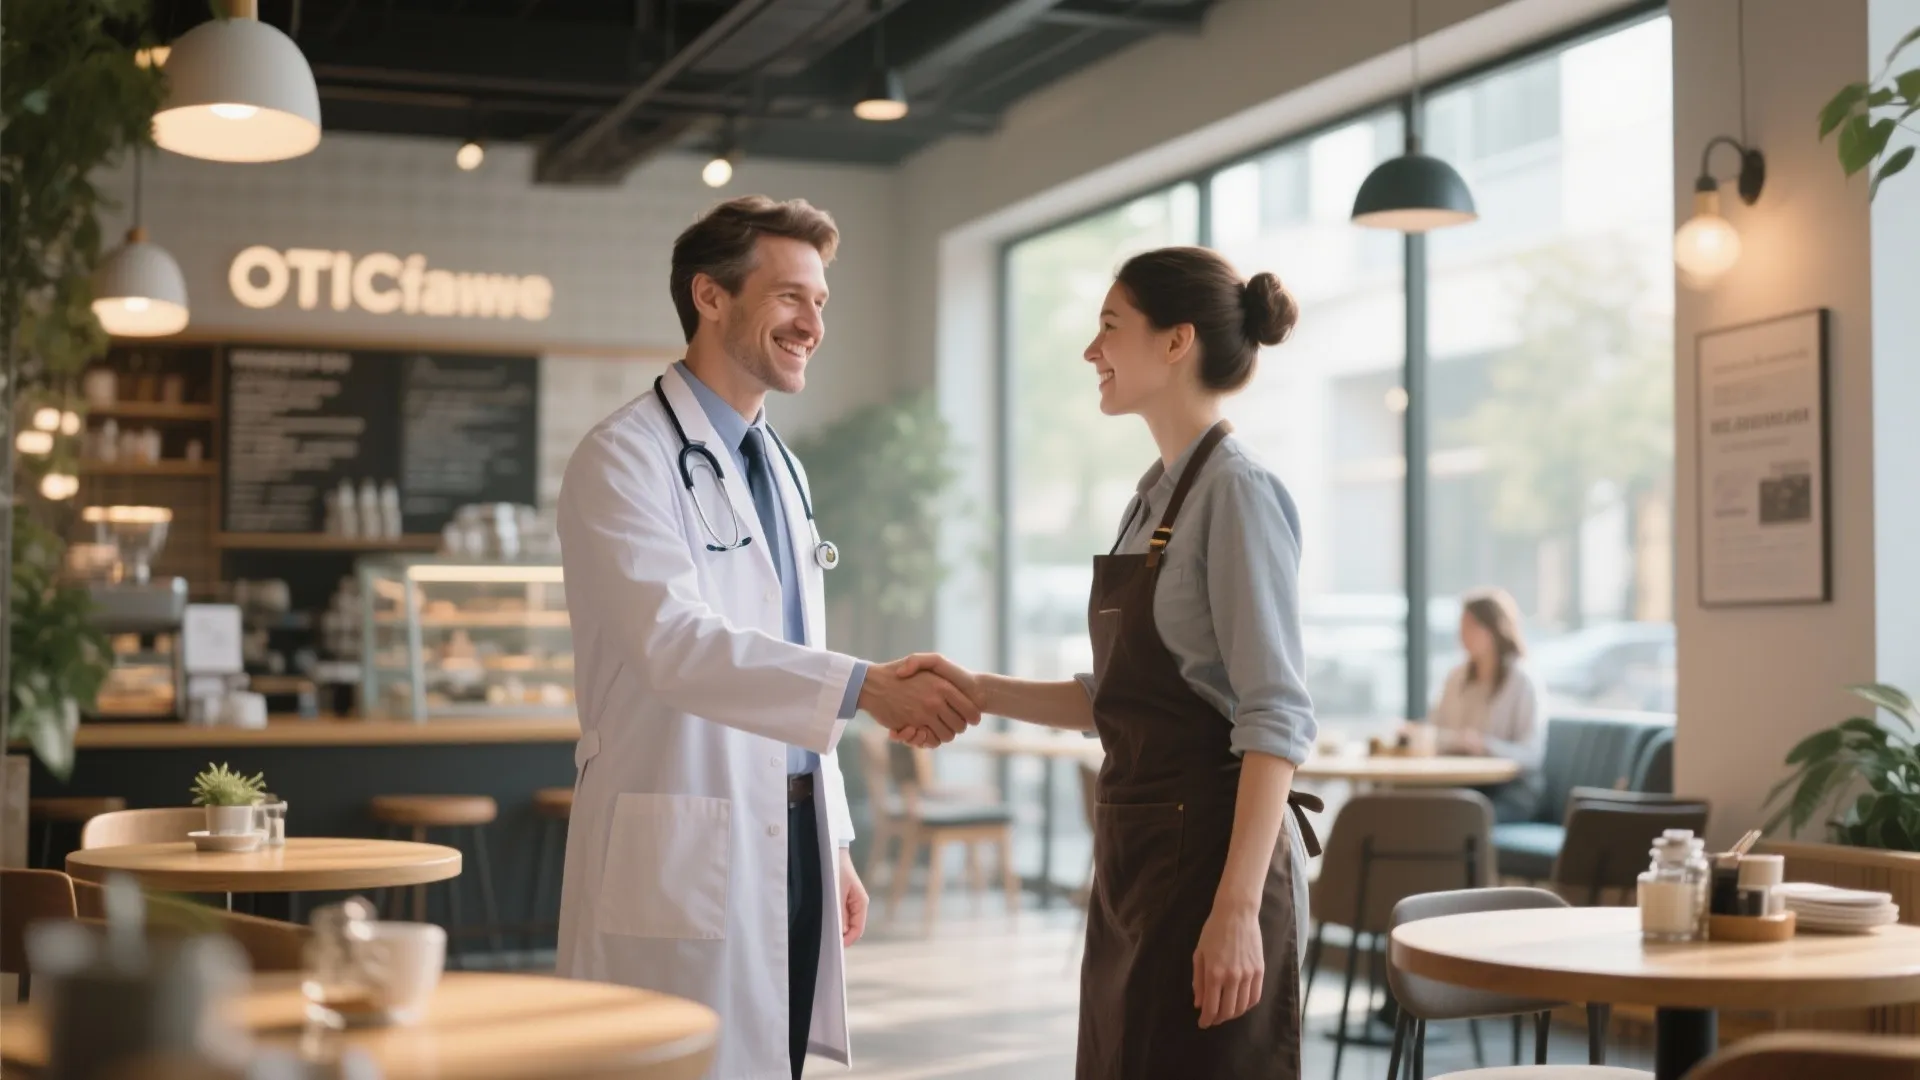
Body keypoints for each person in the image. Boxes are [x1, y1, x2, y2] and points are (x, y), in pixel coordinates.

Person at [553, 195, 982, 1080]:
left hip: (790, 839)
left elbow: (787, 644)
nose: (812, 323)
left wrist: (836, 844)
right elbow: (675, 643)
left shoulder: (777, 463)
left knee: (774, 1059)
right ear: (710, 297)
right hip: (681, 837)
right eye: (791, 297)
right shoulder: (622, 456)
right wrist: (866, 686)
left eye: (821, 302)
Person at [905, 246, 1322, 1079]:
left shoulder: (1236, 490)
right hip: (1136, 862)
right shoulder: (1153, 498)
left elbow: (1275, 717)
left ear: (1176, 342)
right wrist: (976, 689)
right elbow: (1120, 700)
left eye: (1109, 327)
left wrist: (1236, 910)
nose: (1091, 352)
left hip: (1212, 865)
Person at [1422, 587, 1546, 822]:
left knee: (1456, 821)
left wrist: (1485, 746)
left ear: (1494, 629)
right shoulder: (1457, 677)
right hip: (1466, 784)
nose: (1462, 634)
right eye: (1461, 626)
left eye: (1470, 626)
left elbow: (1532, 754)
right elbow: (1435, 730)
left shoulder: (1522, 680)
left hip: (1511, 790)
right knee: (1402, 804)